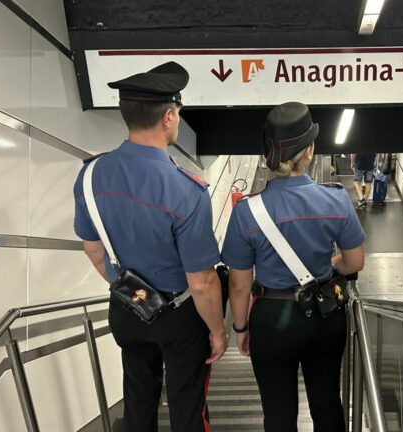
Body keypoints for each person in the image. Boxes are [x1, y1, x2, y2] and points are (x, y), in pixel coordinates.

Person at [73, 62, 227, 432]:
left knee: (139, 399)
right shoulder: (186, 190)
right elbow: (202, 282)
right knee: (186, 406)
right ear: (170, 116)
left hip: (128, 309)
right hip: (178, 318)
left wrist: (131, 291)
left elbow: (93, 251)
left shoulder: (91, 175)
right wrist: (218, 331)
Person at [222, 102, 366, 432]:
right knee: (327, 401)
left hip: (272, 318)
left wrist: (241, 329)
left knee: (278, 410)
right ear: (309, 151)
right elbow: (354, 262)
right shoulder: (335, 198)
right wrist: (331, 263)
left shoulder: (247, 212)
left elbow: (239, 285)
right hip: (325, 315)